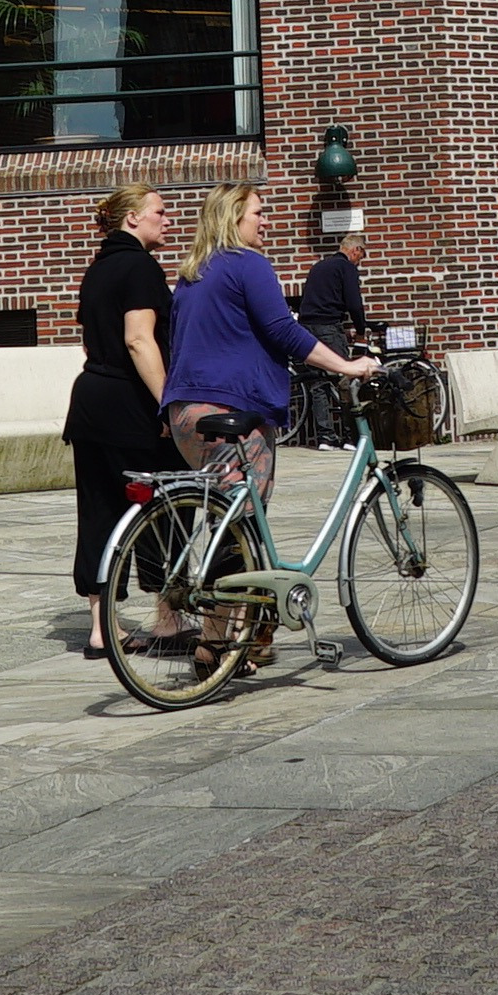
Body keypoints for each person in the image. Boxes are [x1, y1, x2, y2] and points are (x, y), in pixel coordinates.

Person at [167, 183, 384, 664]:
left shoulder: (191, 273)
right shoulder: (248, 264)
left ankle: (257, 631)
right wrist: (347, 366)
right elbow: (284, 330)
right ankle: (215, 642)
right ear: (234, 218)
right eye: (258, 213)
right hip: (235, 412)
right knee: (237, 522)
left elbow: (178, 341)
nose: (265, 221)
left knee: (234, 514)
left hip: (185, 412)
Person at [63, 184, 178, 654]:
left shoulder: (97, 269)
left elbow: (95, 339)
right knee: (161, 508)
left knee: (98, 511)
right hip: (130, 405)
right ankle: (167, 618)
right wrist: (167, 402)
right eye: (159, 212)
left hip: (90, 401)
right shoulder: (139, 267)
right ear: (132, 218)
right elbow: (138, 340)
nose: (167, 220)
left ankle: (99, 627)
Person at [298, 204, 367, 358]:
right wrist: (361, 331)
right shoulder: (346, 267)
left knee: (317, 376)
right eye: (360, 258)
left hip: (305, 328)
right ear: (356, 250)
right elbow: (354, 304)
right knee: (342, 372)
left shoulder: (318, 266)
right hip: (327, 328)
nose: (358, 262)